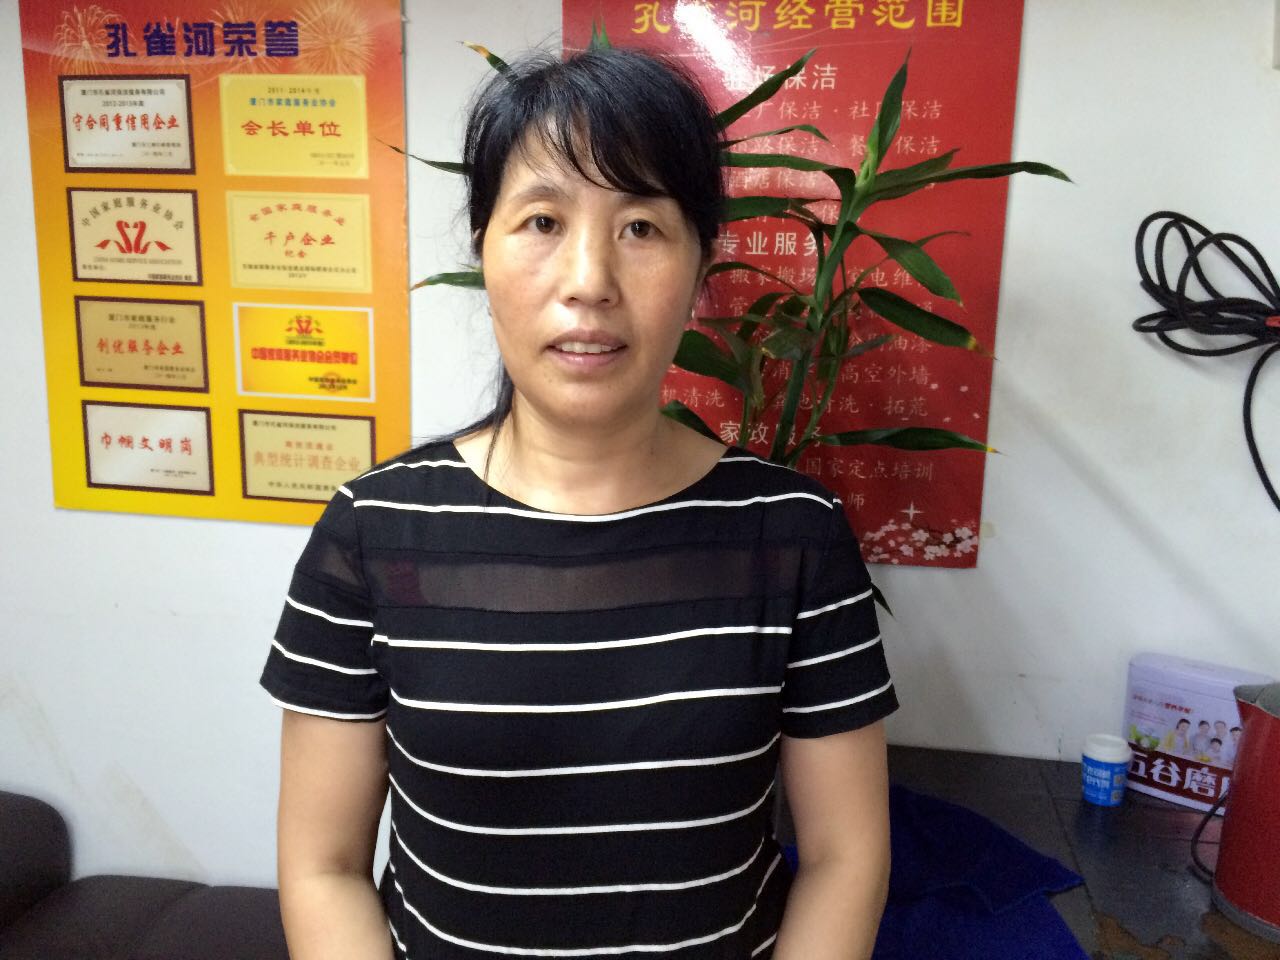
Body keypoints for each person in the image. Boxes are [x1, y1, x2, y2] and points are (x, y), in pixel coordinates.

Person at [261, 45, 897, 960]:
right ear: (483, 250)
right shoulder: (374, 533)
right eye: (543, 221)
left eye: (641, 226)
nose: (589, 279)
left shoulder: (793, 536)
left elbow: (845, 858)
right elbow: (322, 867)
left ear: (701, 268)